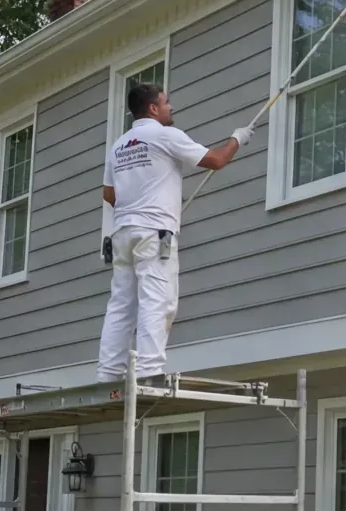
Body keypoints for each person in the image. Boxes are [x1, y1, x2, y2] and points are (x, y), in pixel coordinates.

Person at [96, 82, 249, 382]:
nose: (171, 107)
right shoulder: (165, 135)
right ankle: (149, 372)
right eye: (167, 102)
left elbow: (109, 194)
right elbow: (216, 160)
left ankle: (108, 373)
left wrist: (139, 204)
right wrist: (237, 139)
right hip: (154, 234)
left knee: (121, 305)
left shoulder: (119, 146)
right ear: (153, 108)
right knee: (158, 300)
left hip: (124, 233)